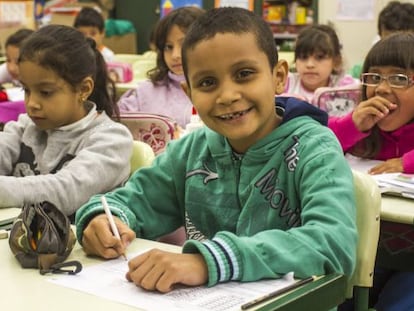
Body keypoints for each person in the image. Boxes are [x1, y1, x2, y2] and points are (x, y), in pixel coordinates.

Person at [75, 7, 357, 293]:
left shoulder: (315, 149)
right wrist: (103, 219)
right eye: (207, 83)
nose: (228, 96)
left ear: (278, 76)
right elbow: (132, 201)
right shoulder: (191, 151)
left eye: (244, 74)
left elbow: (334, 244)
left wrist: (208, 262)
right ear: (190, 94)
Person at [0, 24, 133, 219]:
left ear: (84, 89)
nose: (32, 103)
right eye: (26, 90)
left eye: (45, 92)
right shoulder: (26, 126)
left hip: (80, 248)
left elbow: (63, 192)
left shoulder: (112, 140)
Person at [329, 32, 414, 310]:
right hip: (367, 250)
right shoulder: (361, 129)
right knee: (340, 298)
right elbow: (315, 147)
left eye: (399, 78)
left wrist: (407, 162)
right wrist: (353, 125)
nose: (382, 89)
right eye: (374, 77)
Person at [117, 6, 205, 129]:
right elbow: (116, 123)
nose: (175, 55)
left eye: (184, 44)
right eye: (168, 47)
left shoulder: (217, 89)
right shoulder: (146, 91)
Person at [283, 24, 357, 103]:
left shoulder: (346, 87)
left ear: (336, 61)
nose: (309, 65)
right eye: (303, 57)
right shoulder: (285, 84)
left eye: (320, 57)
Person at [350, 1, 414, 78]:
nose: (396, 50)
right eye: (388, 43)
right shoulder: (363, 70)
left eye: (403, 44)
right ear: (379, 36)